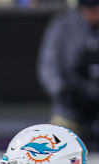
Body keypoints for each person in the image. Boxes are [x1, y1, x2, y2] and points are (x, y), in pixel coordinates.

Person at [38, 0, 99, 148]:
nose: (93, 12)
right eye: (89, 8)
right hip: (70, 108)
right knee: (60, 138)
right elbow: (48, 67)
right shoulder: (64, 26)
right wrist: (62, 90)